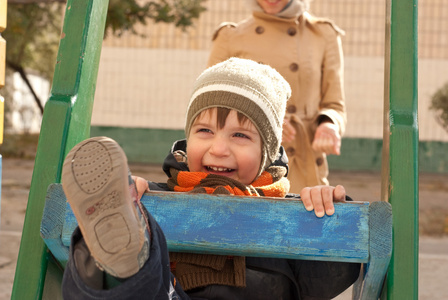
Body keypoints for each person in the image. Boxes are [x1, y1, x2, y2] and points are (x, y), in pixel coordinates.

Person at [61, 58, 359, 299]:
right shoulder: (160, 198)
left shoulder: (292, 215)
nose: (218, 148)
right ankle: (114, 250)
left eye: (240, 135)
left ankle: (117, 264)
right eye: (204, 131)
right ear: (187, 138)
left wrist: (333, 210)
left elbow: (328, 279)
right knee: (142, 255)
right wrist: (133, 200)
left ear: (266, 153)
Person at [208, 0, 346, 193]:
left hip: (302, 161)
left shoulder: (323, 34)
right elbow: (210, 107)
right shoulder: (230, 36)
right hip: (249, 161)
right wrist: (266, 123)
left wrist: (328, 124)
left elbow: (334, 104)